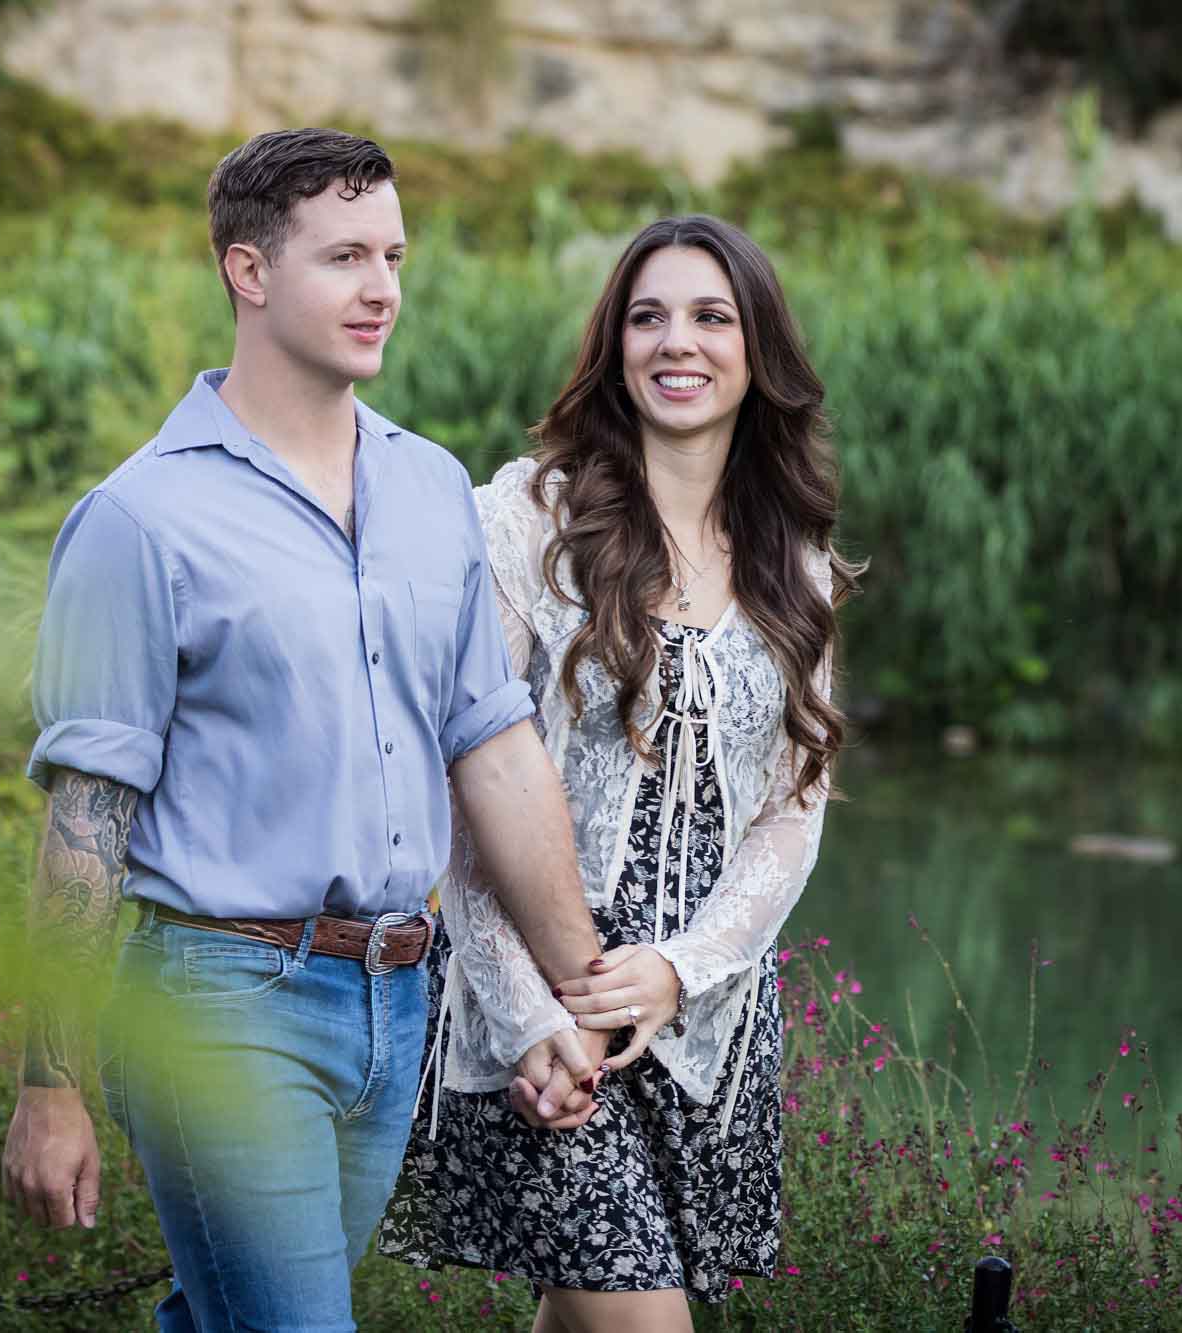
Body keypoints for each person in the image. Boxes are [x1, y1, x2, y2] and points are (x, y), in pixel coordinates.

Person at [0, 127, 610, 1333]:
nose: (382, 287)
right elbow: (87, 819)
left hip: (392, 1001)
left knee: (225, 1316)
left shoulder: (434, 489)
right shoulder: (141, 518)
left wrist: (575, 995)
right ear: (249, 271)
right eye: (343, 256)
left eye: (393, 254)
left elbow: (492, 746)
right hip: (221, 998)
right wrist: (48, 1083)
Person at [379, 215, 857, 1332]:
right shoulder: (526, 520)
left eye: (708, 316)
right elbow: (464, 779)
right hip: (542, 1005)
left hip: (697, 1023)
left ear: (757, 351)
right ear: (613, 345)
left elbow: (792, 814)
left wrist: (681, 970)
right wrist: (529, 1013)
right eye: (646, 317)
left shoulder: (798, 563)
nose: (674, 342)